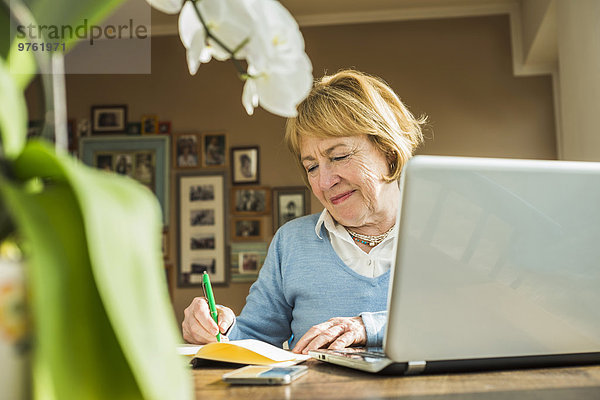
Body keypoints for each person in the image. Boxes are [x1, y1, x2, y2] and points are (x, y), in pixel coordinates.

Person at [182, 69, 426, 354]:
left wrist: (366, 328)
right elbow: (253, 340)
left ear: (388, 151)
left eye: (339, 156)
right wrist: (217, 330)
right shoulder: (291, 242)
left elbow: (477, 319)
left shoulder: (444, 233)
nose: (324, 182)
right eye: (312, 167)